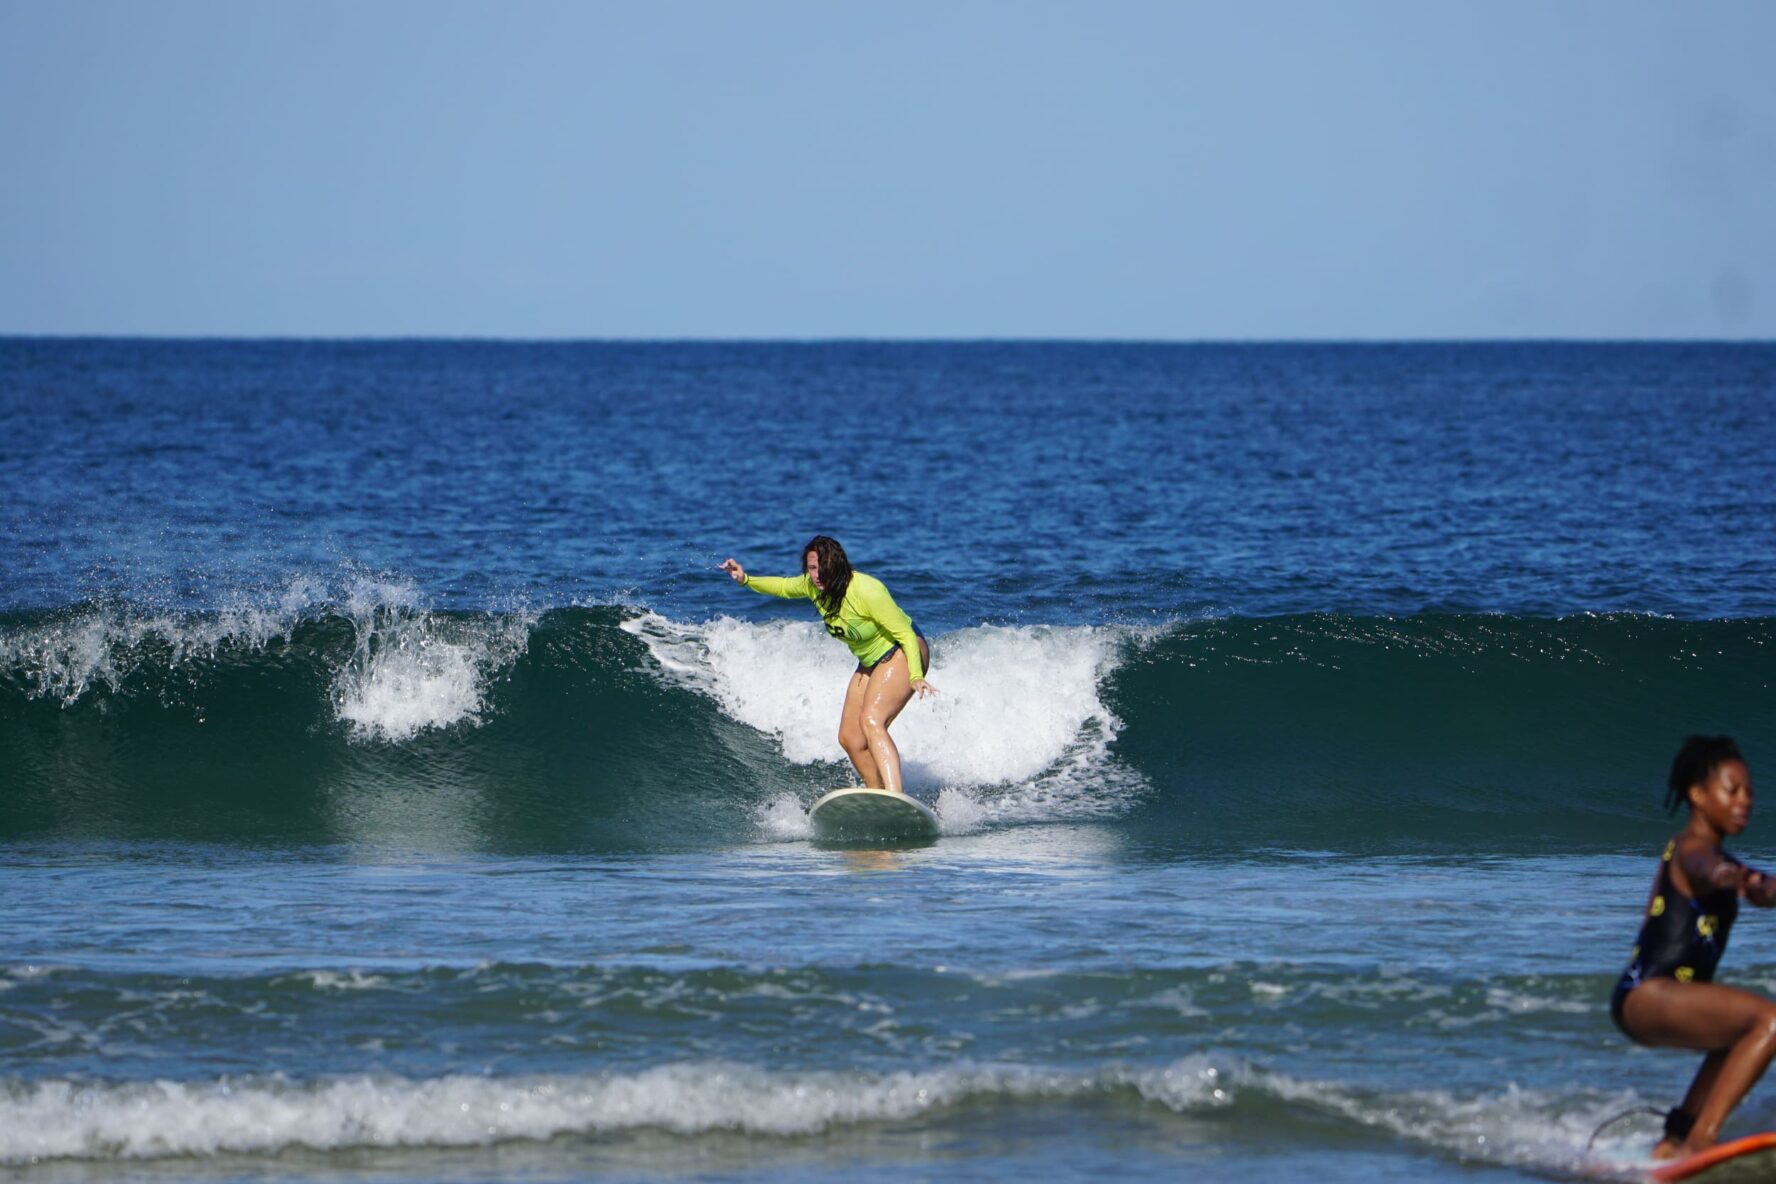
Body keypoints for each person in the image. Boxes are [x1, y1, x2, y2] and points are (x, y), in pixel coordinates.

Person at [1611, 735, 1776, 1159]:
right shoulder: (1691, 850)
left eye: (1750, 792)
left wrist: (1755, 884)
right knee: (1769, 1021)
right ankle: (1702, 1141)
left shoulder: (1724, 860)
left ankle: (1676, 1139)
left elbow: (1758, 887)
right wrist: (1735, 878)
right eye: (1732, 789)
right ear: (1698, 794)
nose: (1744, 801)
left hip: (1655, 996)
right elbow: (1712, 870)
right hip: (1649, 993)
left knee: (1738, 1035)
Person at [720, 536, 935, 795]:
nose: (818, 574)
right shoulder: (814, 586)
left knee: (871, 720)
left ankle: (895, 795)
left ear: (838, 565)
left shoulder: (866, 589)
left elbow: (905, 634)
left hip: (904, 650)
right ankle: (877, 794)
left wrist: (915, 675)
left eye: (824, 566)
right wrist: (746, 579)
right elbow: (783, 587)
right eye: (812, 568)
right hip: (870, 661)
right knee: (850, 738)